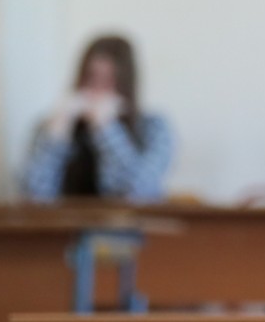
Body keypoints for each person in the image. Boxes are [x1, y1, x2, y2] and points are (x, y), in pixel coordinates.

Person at [23, 34, 174, 201]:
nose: (97, 89)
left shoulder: (153, 128)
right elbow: (34, 196)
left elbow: (138, 192)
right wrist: (57, 135)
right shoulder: (53, 127)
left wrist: (106, 130)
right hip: (66, 225)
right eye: (91, 77)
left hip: (127, 227)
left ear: (125, 82)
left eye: (108, 80)